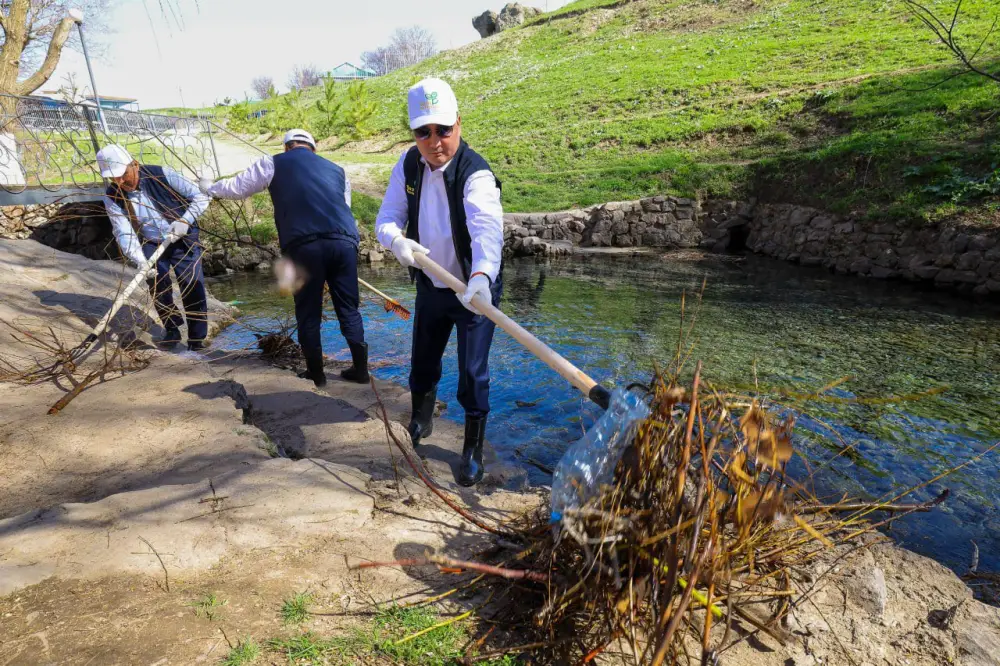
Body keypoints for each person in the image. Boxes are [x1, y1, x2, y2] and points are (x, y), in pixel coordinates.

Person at [375, 78, 504, 487]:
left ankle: (471, 449)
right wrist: (396, 240)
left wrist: (482, 277)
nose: (434, 142)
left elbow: (488, 232)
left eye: (443, 130)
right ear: (414, 133)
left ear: (459, 125)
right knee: (424, 360)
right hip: (432, 285)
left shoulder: (476, 174)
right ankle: (420, 421)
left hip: (473, 291)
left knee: (472, 372)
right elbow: (386, 218)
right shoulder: (408, 164)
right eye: (423, 132)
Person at [202, 129, 368, 387]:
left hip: (303, 247)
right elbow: (344, 207)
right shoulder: (338, 170)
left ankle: (317, 375)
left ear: (288, 147)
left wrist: (210, 188)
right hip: (344, 244)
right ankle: (361, 371)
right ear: (313, 148)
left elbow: (238, 188)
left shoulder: (273, 162)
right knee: (349, 309)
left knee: (307, 312)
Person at [97, 144, 211, 351]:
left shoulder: (162, 175)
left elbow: (201, 196)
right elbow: (123, 231)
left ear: (135, 165)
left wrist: (185, 221)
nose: (120, 182)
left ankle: (196, 339)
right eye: (114, 178)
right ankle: (172, 328)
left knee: (191, 284)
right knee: (158, 287)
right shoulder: (112, 196)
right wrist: (139, 260)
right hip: (151, 242)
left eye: (123, 175)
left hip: (183, 237)